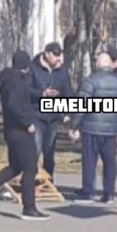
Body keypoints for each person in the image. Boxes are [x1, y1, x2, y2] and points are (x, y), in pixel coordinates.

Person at [0, 50, 51, 221]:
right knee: (30, 167)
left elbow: (25, 93)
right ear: (25, 66)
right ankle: (29, 208)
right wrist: (27, 123)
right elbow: (13, 104)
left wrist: (41, 94)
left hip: (12, 131)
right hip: (21, 131)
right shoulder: (16, 81)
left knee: (15, 167)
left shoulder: (11, 79)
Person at [68, 52, 117, 204]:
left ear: (98, 64)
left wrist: (74, 126)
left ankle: (88, 192)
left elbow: (81, 106)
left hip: (91, 127)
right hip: (111, 129)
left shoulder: (90, 82)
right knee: (110, 161)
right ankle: (109, 193)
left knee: (89, 161)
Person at [28, 42, 75, 182]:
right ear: (46, 53)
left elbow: (68, 92)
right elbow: (26, 90)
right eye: (55, 55)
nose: (57, 58)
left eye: (59, 55)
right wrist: (42, 93)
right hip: (36, 115)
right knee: (35, 149)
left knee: (49, 152)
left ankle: (48, 181)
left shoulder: (62, 71)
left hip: (53, 117)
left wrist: (68, 113)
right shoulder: (33, 68)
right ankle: (29, 180)